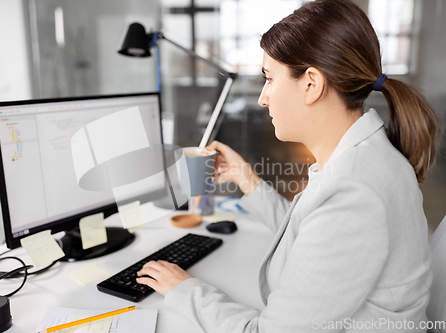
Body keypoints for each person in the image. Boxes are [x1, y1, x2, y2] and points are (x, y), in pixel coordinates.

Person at [136, 0, 440, 331]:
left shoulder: (355, 190)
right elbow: (315, 234)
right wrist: (245, 179)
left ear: (311, 84)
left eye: (269, 78)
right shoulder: (360, 156)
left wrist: (185, 290)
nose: (262, 98)